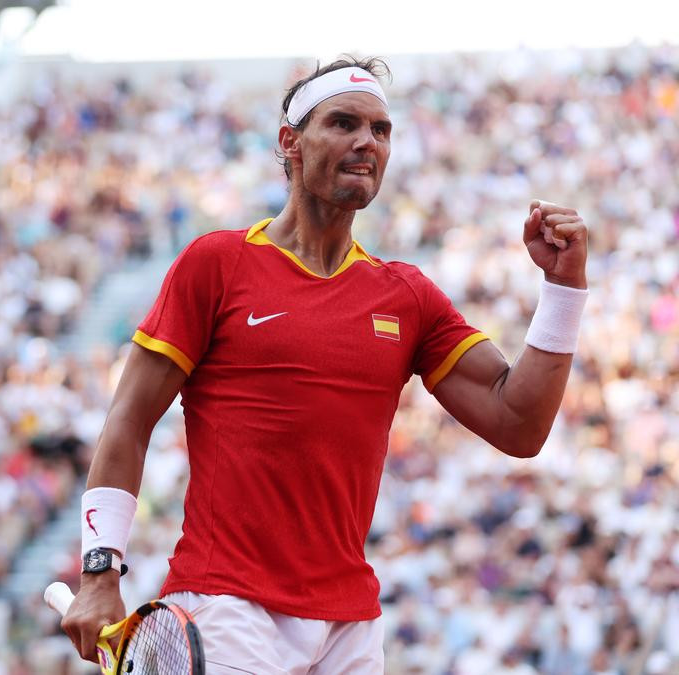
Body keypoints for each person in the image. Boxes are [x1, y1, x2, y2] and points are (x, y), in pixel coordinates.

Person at [61, 57, 590, 673]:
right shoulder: (217, 263)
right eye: (343, 123)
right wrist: (100, 572)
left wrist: (564, 289)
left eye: (381, 130)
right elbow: (128, 419)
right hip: (224, 607)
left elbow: (520, 423)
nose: (367, 142)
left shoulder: (407, 295)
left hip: (351, 626)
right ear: (290, 143)